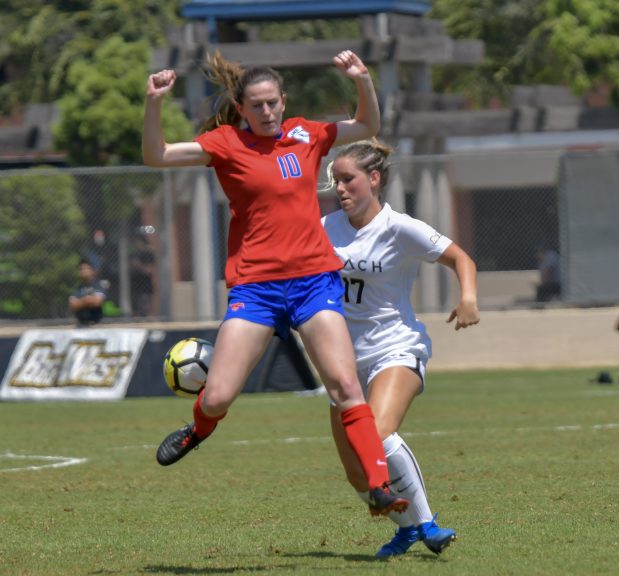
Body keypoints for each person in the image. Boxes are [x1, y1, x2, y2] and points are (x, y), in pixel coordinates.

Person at [143, 50, 408, 517]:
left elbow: (367, 125)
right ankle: (198, 430)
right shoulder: (225, 143)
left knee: (346, 387)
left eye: (272, 103)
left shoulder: (307, 134)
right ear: (241, 109)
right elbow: (156, 155)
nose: (267, 112)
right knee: (218, 396)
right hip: (256, 290)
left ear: (284, 101)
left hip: (314, 282)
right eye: (257, 106)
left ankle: (380, 486)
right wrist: (154, 102)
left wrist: (362, 79)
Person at [321, 140, 480, 557]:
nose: (340, 188)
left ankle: (427, 525)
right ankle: (407, 530)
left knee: (375, 433)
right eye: (336, 180)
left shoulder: (400, 228)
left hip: (395, 346)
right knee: (358, 474)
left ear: (374, 179)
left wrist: (468, 298)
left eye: (348, 179)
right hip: (342, 360)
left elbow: (461, 258)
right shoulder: (324, 228)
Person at [68, 258, 107, 327]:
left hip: (97, 325)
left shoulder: (99, 285)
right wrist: (87, 300)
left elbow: (97, 302)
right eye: (81, 269)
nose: (84, 271)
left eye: (86, 268)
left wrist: (80, 302)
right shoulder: (77, 288)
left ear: (93, 271)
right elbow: (72, 305)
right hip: (81, 325)